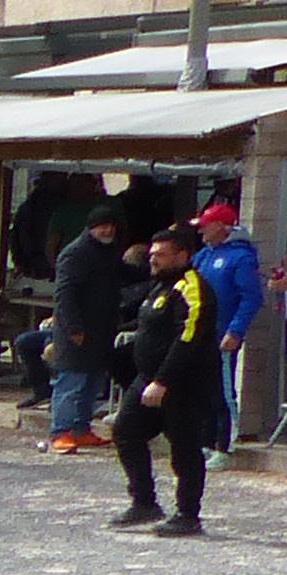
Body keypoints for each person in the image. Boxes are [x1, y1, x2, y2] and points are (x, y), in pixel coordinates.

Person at [115, 226, 223, 538]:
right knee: (125, 430)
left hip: (183, 384)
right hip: (148, 379)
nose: (154, 260)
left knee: (185, 448)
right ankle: (144, 501)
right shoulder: (159, 287)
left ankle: (188, 514)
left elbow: (188, 337)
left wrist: (163, 380)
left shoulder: (192, 288)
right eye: (152, 255)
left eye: (161, 255)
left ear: (182, 255)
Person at [47, 200, 132, 453]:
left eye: (110, 227)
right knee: (71, 383)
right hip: (77, 332)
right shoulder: (75, 253)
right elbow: (65, 294)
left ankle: (81, 429)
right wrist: (74, 328)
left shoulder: (108, 252)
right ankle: (60, 432)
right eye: (102, 227)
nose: (107, 231)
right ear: (91, 228)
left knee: (92, 383)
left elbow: (123, 273)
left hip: (101, 330)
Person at [192, 196, 267, 445]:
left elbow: (251, 298)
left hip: (222, 333)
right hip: (198, 334)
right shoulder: (203, 256)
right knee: (200, 389)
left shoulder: (241, 257)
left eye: (206, 224)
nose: (201, 230)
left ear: (222, 227)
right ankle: (203, 441)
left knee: (221, 391)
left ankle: (223, 445)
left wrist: (235, 330)